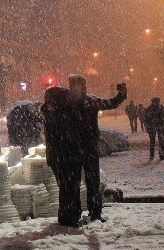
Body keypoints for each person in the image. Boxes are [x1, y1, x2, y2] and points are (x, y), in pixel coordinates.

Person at [68, 74, 126, 223]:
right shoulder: (71, 102)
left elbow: (110, 104)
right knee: (81, 183)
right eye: (82, 85)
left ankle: (91, 213)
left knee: (89, 183)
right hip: (79, 148)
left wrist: (121, 95)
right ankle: (84, 213)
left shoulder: (84, 101)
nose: (85, 87)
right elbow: (110, 104)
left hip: (82, 148)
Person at [41, 86, 82, 227]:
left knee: (65, 187)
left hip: (58, 157)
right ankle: (70, 216)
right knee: (69, 187)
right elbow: (67, 135)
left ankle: (67, 216)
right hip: (65, 156)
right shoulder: (59, 114)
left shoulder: (50, 112)